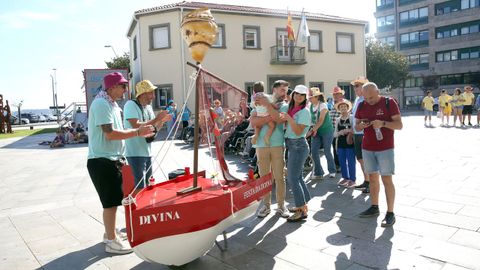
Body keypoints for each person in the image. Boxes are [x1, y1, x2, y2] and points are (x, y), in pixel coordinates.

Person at [87, 72, 154, 254]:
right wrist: (138, 132)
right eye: (123, 86)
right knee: (110, 203)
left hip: (111, 159)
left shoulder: (113, 105)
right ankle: (111, 241)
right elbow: (110, 133)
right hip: (101, 160)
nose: (126, 89)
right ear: (112, 87)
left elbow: (118, 131)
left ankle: (110, 233)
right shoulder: (101, 104)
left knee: (114, 201)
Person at [355, 82, 403, 227]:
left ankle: (390, 213)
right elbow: (356, 125)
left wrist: (383, 123)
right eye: (366, 98)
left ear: (378, 92)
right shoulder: (362, 105)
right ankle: (374, 207)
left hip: (385, 148)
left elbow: (399, 125)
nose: (369, 101)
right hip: (367, 147)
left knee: (386, 179)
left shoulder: (389, 102)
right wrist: (361, 125)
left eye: (371, 98)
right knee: (373, 179)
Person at [252, 80, 290, 218]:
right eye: (282, 90)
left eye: (286, 90)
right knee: (264, 178)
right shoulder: (261, 101)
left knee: (280, 177)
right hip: (261, 145)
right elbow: (253, 121)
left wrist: (267, 107)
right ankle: (266, 206)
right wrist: (269, 114)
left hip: (277, 144)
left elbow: (278, 119)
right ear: (274, 90)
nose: (285, 93)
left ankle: (281, 205)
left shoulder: (285, 105)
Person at [124, 80, 170, 191]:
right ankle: (137, 208)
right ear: (143, 93)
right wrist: (157, 119)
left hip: (147, 152)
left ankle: (146, 207)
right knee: (139, 187)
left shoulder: (148, 108)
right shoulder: (130, 104)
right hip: (135, 154)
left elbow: (154, 129)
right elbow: (135, 124)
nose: (153, 96)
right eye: (151, 93)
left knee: (149, 185)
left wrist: (162, 121)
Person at [308, 87, 335, 180]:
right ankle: (319, 172)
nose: (310, 99)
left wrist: (312, 131)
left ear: (317, 97)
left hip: (326, 130)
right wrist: (312, 129)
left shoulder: (323, 105)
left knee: (327, 150)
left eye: (311, 97)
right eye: (310, 97)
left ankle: (332, 171)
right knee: (314, 151)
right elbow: (311, 120)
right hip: (317, 131)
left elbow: (320, 120)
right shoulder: (310, 106)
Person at [351, 76, 370, 193]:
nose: (355, 88)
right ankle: (366, 181)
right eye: (355, 86)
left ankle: (370, 183)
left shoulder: (366, 99)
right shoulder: (358, 100)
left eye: (358, 86)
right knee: (360, 159)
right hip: (357, 132)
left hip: (363, 133)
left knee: (365, 159)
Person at [334, 100, 356, 188]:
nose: (343, 108)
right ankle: (345, 178)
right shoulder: (338, 120)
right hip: (340, 144)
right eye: (341, 107)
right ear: (339, 109)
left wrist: (349, 131)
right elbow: (334, 134)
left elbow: (355, 130)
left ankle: (352, 179)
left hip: (350, 143)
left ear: (348, 108)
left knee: (351, 161)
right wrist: (341, 132)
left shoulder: (351, 118)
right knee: (342, 161)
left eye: (345, 107)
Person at [250, 81, 277, 146]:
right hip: (266, 114)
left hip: (259, 114)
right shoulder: (266, 96)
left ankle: (256, 136)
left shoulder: (254, 97)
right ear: (263, 89)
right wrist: (275, 106)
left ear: (254, 90)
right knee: (272, 126)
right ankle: (267, 137)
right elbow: (271, 103)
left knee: (258, 126)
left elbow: (252, 105)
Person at [329, 86, 345, 175]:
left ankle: (340, 165)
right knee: (335, 149)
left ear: (341, 95)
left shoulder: (344, 104)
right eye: (334, 94)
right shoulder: (332, 105)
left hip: (341, 130)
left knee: (339, 149)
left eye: (337, 94)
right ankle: (337, 165)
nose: (335, 96)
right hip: (333, 130)